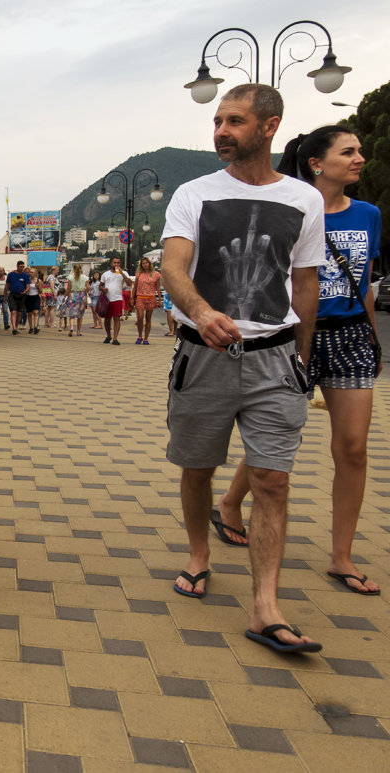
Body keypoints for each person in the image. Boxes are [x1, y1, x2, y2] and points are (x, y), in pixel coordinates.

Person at [162, 83, 325, 653]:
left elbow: (305, 283)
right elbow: (173, 267)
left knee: (272, 479)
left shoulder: (305, 201)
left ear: (270, 126)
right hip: (203, 356)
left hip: (274, 359)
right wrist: (202, 312)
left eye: (234, 121)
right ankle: (199, 554)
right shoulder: (193, 194)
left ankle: (266, 607)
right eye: (217, 121)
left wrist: (302, 362)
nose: (221, 132)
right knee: (198, 466)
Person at [211, 124, 382, 596]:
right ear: (315, 162)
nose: (359, 158)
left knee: (353, 448)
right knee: (273, 442)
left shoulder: (368, 214)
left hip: (349, 337)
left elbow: (363, 281)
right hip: (289, 337)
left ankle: (342, 556)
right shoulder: (286, 207)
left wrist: (372, 337)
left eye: (361, 151)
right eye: (348, 151)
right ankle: (229, 502)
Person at [98, 257, 133, 344]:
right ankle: (108, 335)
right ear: (111, 264)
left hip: (117, 298)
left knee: (116, 318)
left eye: (118, 263)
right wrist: (103, 289)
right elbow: (100, 285)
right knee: (107, 319)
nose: (116, 264)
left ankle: (115, 338)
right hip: (107, 299)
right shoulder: (105, 274)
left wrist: (121, 272)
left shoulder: (123, 273)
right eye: (115, 263)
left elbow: (129, 283)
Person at [132, 257, 162, 344]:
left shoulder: (156, 274)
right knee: (140, 317)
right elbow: (135, 287)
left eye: (146, 263)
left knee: (148, 319)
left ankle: (146, 338)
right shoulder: (139, 274)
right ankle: (140, 335)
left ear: (149, 264)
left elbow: (158, 288)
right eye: (143, 263)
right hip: (140, 297)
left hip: (151, 297)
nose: (145, 264)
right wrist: (132, 298)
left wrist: (159, 300)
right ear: (141, 265)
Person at [5, 260, 30, 334]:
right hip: (12, 295)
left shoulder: (25, 276)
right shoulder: (11, 274)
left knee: (19, 314)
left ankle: (16, 326)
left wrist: (25, 291)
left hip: (22, 296)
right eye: (20, 267)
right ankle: (14, 328)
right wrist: (5, 295)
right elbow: (7, 286)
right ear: (17, 266)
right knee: (13, 312)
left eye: (23, 267)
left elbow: (28, 286)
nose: (22, 268)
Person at [66, 264, 88, 336]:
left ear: (73, 269)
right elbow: (87, 288)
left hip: (72, 295)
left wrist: (64, 296)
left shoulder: (70, 277)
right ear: (81, 269)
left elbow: (68, 288)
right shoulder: (85, 277)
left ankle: (71, 327)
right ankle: (78, 331)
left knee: (72, 313)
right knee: (80, 315)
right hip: (82, 296)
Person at [25, 268, 42, 333]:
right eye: (30, 272)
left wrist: (38, 286)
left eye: (32, 272)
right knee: (29, 313)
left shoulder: (38, 281)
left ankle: (35, 327)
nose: (30, 273)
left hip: (35, 297)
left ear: (35, 273)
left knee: (36, 312)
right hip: (28, 297)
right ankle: (31, 327)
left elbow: (41, 291)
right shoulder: (27, 280)